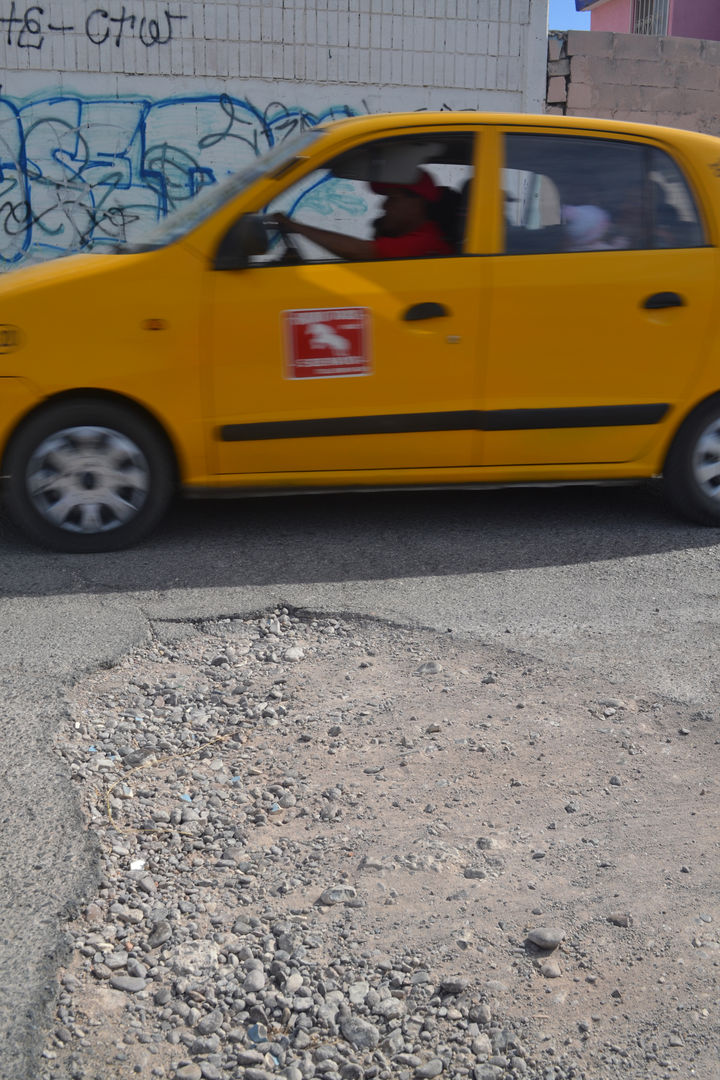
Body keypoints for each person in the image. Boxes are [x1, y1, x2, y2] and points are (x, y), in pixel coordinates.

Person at [268, 169, 453, 261]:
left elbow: (360, 251)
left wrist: (295, 226)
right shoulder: (407, 238)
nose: (384, 206)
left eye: (393, 198)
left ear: (417, 204)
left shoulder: (426, 241)